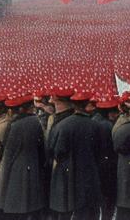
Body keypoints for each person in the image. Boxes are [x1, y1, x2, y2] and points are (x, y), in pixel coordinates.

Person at [48, 91, 102, 219]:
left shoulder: (62, 126)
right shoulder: (96, 126)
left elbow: (55, 151)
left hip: (67, 175)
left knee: (66, 210)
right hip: (89, 174)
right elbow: (100, 151)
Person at [0, 96, 47, 218]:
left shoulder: (14, 126)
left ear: (20, 109)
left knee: (16, 208)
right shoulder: (36, 122)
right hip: (33, 168)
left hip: (15, 172)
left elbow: (8, 155)